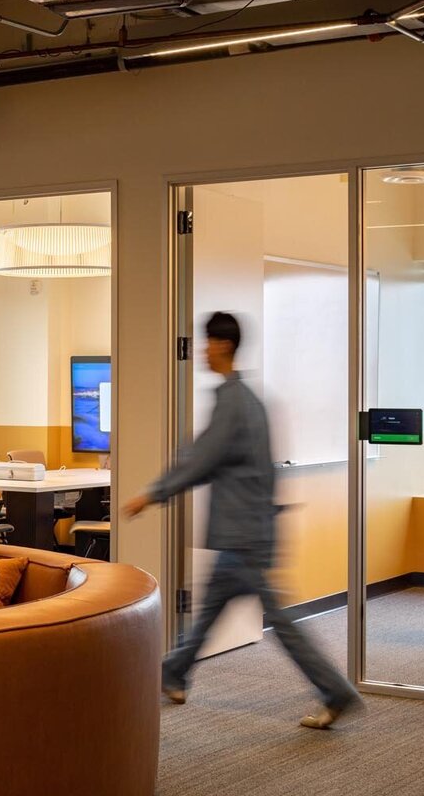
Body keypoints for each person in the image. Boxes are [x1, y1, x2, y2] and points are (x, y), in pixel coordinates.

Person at [123, 311, 361, 730]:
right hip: (250, 530)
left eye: (206, 342)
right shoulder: (252, 400)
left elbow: (201, 460)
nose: (202, 350)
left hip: (241, 536)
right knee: (211, 608)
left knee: (281, 624)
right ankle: (173, 672)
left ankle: (335, 691)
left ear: (223, 346)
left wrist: (152, 493)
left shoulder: (232, 402)